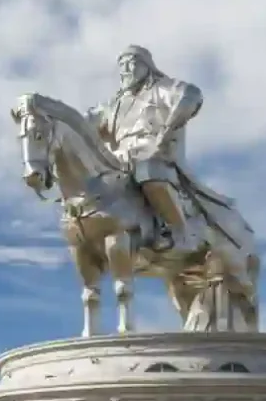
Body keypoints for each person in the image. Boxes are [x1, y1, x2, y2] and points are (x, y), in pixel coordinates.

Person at [86, 45, 208, 254]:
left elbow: (190, 94)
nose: (126, 69)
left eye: (131, 63)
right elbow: (88, 122)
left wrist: (167, 130)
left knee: (147, 171)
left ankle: (178, 231)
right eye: (121, 65)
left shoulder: (160, 88)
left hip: (152, 151)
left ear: (146, 66)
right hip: (118, 157)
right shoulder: (113, 104)